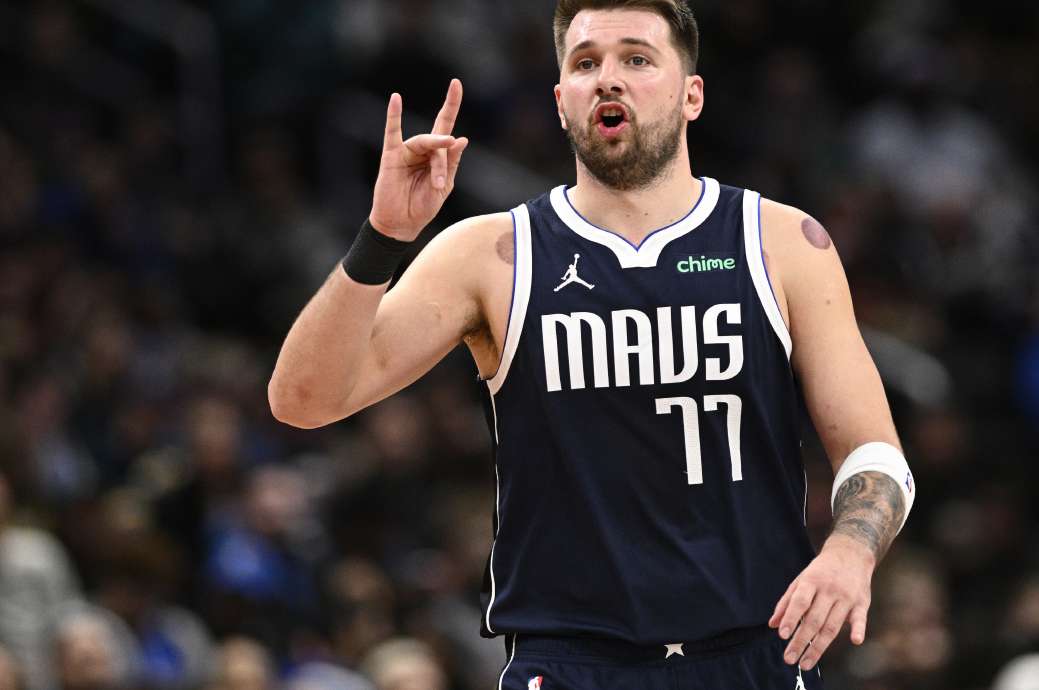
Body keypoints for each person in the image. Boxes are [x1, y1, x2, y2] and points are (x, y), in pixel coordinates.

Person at [268, 1, 916, 688]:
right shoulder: (491, 255)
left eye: (636, 58)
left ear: (691, 93)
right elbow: (303, 400)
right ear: (559, 101)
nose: (609, 78)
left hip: (755, 652)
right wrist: (384, 236)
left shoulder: (782, 242)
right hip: (573, 661)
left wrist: (851, 548)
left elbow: (874, 452)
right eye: (585, 63)